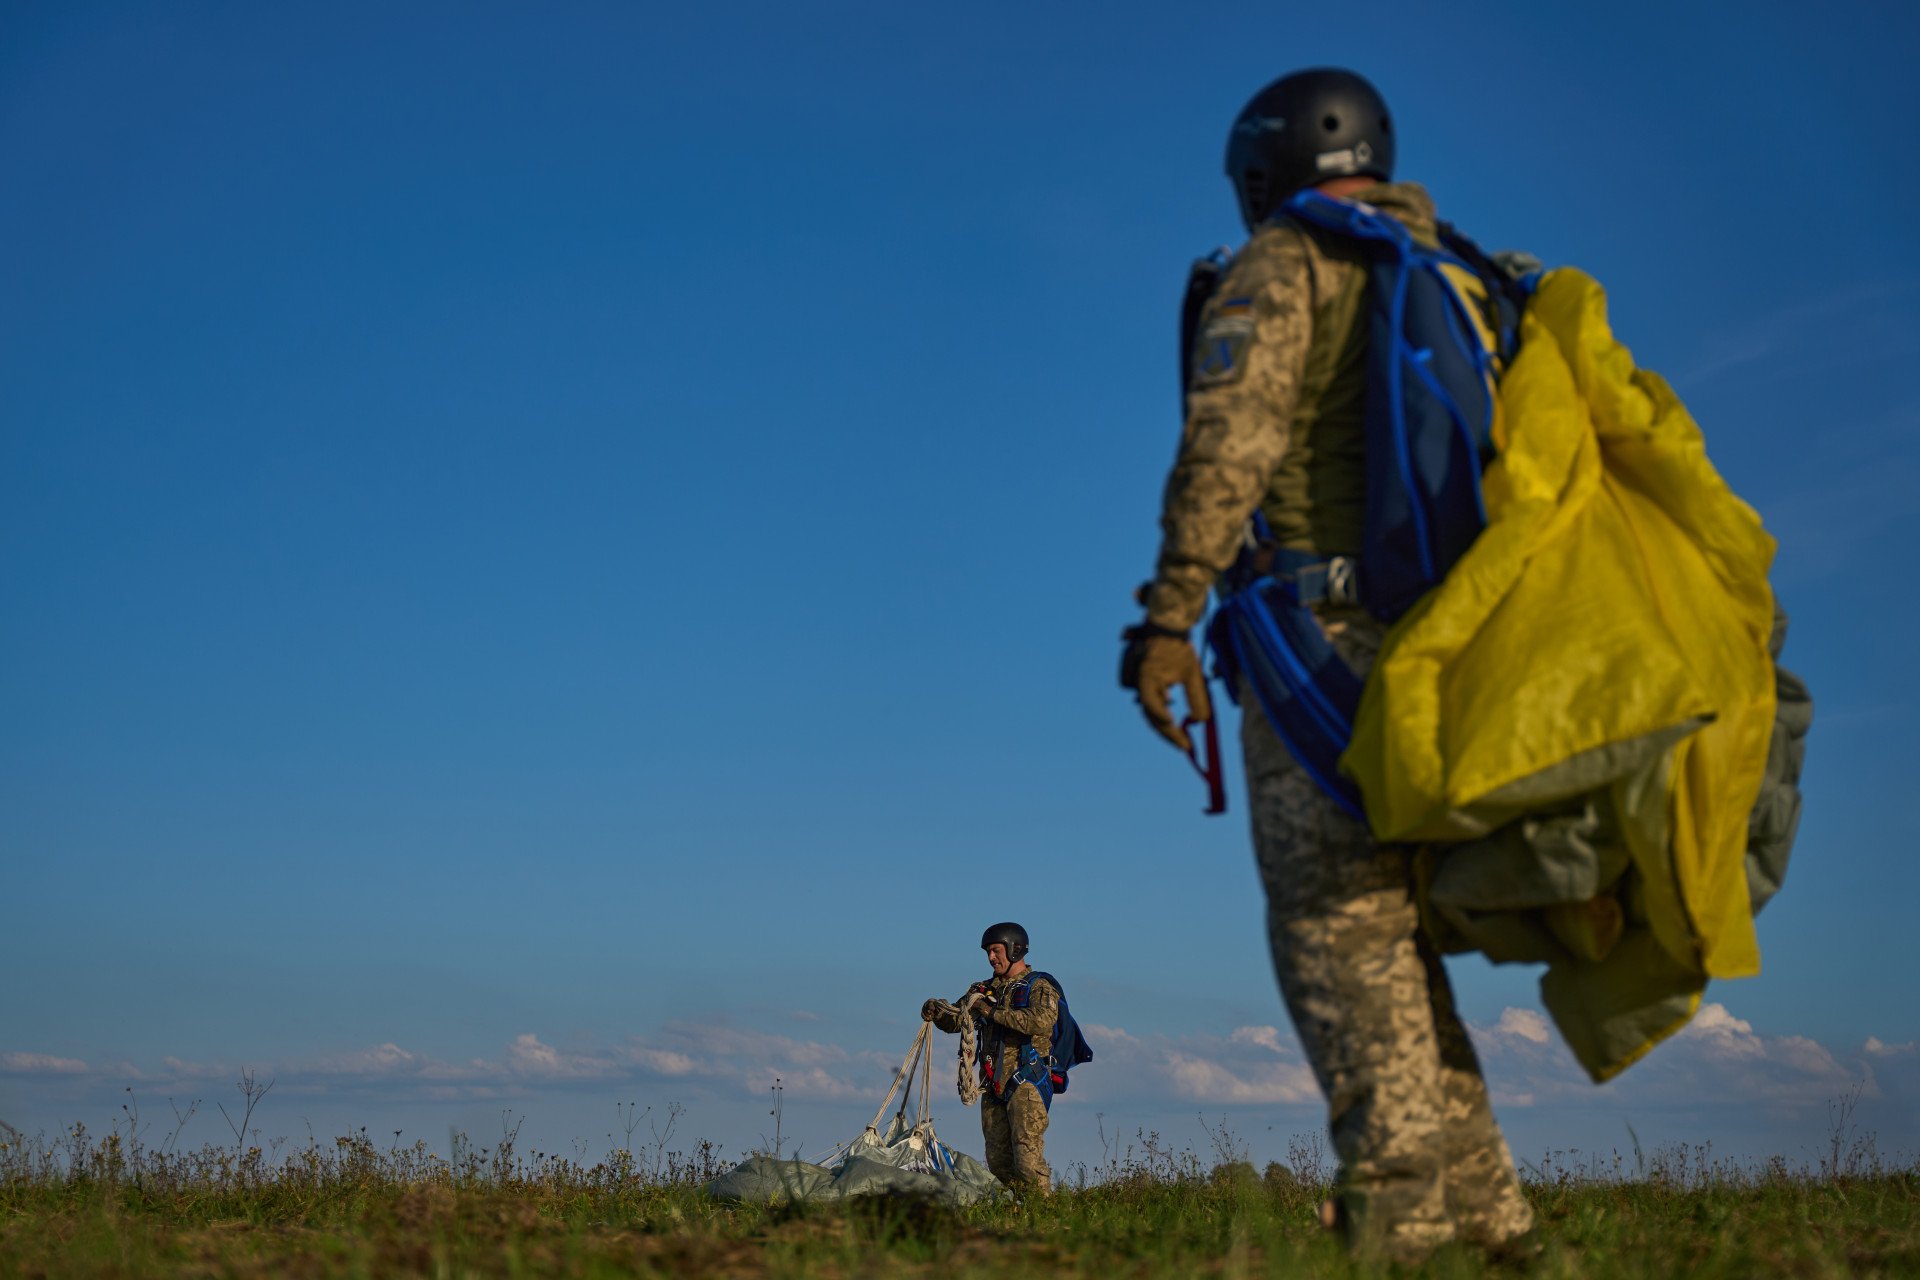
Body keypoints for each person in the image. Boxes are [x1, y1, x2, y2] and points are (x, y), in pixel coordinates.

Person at [1119, 68, 1535, 1263]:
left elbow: (1229, 446)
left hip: (1323, 651)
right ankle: (1493, 1221)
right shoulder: (1453, 267)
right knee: (1392, 943)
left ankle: (1401, 1220)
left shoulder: (1287, 264)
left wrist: (1166, 618)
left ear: (1269, 166)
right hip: (1450, 652)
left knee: (1335, 932)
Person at [922, 922, 1057, 1194]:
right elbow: (956, 1020)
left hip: (1026, 1082)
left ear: (1015, 949)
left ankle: (1044, 1217)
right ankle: (1012, 1215)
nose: (991, 958)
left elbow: (1041, 1022)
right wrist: (937, 1012)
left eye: (996, 951)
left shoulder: (1039, 987)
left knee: (1028, 1159)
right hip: (993, 1086)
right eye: (988, 952)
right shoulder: (983, 990)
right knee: (998, 1162)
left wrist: (991, 1012)